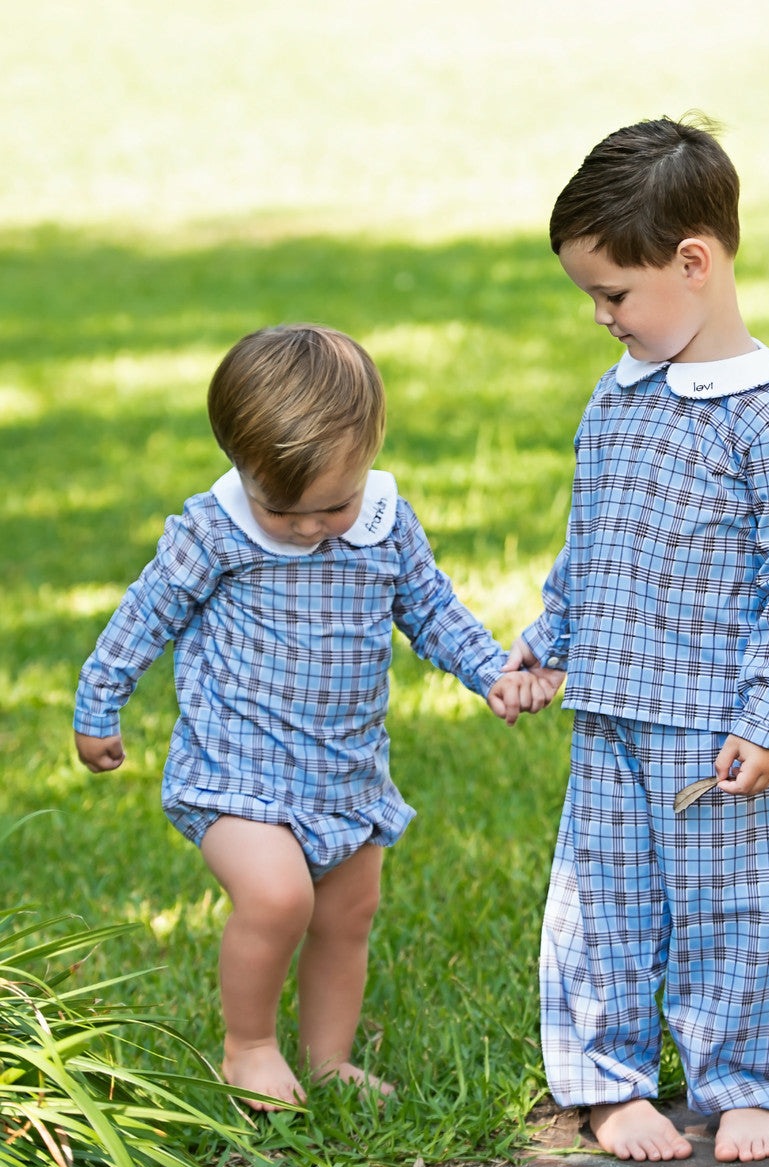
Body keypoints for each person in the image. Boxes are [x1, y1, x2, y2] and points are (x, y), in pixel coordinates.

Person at [74, 323, 548, 1110]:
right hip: (235, 772)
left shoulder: (383, 525)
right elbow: (141, 618)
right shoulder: (216, 532)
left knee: (347, 913)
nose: (307, 528)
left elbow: (432, 611)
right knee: (279, 899)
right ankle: (248, 1047)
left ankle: (329, 1058)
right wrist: (99, 703)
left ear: (368, 457)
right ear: (241, 466)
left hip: (346, 774)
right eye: (282, 508)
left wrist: (492, 671)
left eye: (332, 505)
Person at [505, 115, 769, 1163]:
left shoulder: (768, 417)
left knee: (728, 904)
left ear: (694, 262)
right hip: (608, 707)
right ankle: (607, 1081)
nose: (600, 317)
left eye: (612, 293)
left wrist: (766, 715)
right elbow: (586, 542)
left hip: (709, 725)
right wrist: (547, 644)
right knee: (599, 904)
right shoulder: (617, 396)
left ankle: (736, 1074)